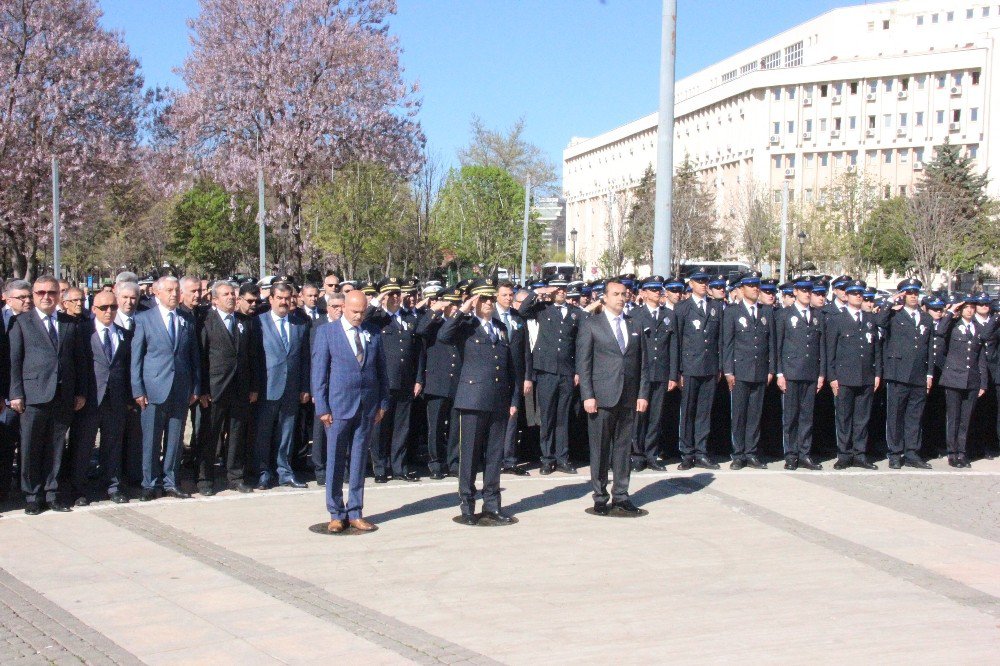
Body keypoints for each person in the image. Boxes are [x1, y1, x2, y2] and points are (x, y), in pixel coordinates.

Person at [438, 279, 519, 524]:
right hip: (472, 399)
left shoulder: (500, 327)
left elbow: (509, 366)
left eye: (490, 299)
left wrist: (513, 399)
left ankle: (492, 504)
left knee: (495, 456)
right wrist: (463, 309)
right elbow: (443, 335)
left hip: (498, 399)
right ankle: (467, 505)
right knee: (470, 456)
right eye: (483, 299)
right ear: (474, 301)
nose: (488, 303)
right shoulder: (466, 325)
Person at [9, 276, 87, 514]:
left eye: (51, 292)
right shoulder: (21, 322)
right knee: (31, 447)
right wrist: (16, 393)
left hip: (63, 395)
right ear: (33, 295)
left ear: (59, 296)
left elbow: (79, 360)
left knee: (56, 446)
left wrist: (80, 391)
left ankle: (52, 492)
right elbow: (15, 360)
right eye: (41, 292)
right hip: (33, 395)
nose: (46, 297)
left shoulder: (68, 323)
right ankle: (33, 495)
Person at [312, 289, 388, 533]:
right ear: (343, 307)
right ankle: (335, 512)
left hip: (366, 407)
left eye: (362, 311)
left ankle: (355, 511)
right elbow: (319, 374)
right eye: (355, 311)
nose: (358, 316)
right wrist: (322, 407)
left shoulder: (373, 332)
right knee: (334, 459)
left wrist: (382, 404)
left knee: (358, 460)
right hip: (338, 407)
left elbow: (381, 372)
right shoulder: (326, 332)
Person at [577, 278, 650, 515]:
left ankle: (621, 495)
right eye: (616, 294)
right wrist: (588, 395)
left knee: (622, 449)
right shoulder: (591, 324)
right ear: (605, 298)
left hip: (628, 396)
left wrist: (642, 393)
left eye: (623, 294)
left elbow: (643, 364)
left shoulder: (634, 324)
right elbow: (584, 363)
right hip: (601, 396)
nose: (621, 297)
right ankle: (600, 496)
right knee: (600, 448)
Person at [131, 276, 201, 501]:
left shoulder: (186, 319)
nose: (173, 294)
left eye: (176, 290)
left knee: (175, 439)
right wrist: (138, 389)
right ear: (156, 293)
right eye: (169, 290)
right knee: (151, 439)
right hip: (153, 389)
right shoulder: (144, 319)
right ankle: (150, 483)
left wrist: (196, 386)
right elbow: (137, 358)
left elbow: (193, 357)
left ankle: (171, 480)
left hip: (180, 389)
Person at [66, 291, 130, 505]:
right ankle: (78, 489)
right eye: (103, 308)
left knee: (112, 445)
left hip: (116, 399)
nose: (109, 312)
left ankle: (112, 486)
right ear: (93, 310)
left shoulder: (123, 333)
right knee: (83, 446)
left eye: (113, 307)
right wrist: (79, 393)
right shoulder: (82, 332)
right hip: (90, 398)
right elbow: (75, 365)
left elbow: (125, 366)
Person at [197, 281, 258, 495]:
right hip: (215, 389)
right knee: (210, 435)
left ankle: (235, 476)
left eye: (233, 293)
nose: (231, 297)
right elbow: (202, 358)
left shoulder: (244, 322)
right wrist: (203, 388)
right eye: (225, 294)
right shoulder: (206, 322)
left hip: (240, 388)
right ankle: (205, 478)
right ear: (214, 299)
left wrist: (253, 386)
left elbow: (253, 357)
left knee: (236, 433)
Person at [518, 274, 581, 475]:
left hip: (567, 372)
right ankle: (547, 458)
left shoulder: (575, 313)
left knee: (563, 416)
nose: (560, 292)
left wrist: (578, 370)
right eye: (557, 288)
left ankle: (562, 457)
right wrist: (537, 292)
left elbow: (578, 344)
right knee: (547, 417)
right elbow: (522, 310)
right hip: (545, 371)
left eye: (563, 289)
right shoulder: (543, 309)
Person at [252, 282, 311, 489]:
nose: (284, 302)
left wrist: (305, 386)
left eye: (288, 298)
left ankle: (285, 472)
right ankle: (263, 472)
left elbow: (305, 358)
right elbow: (255, 358)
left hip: (291, 388)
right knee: (264, 433)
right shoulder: (258, 323)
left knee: (286, 433)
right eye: (280, 298)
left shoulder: (300, 325)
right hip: (267, 388)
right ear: (271, 299)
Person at [878, 278, 935, 470]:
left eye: (915, 293)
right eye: (908, 293)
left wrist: (929, 374)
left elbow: (929, 348)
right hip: (898, 373)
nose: (912, 296)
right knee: (895, 415)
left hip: (918, 374)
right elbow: (879, 322)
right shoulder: (894, 315)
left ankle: (912, 452)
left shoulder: (926, 318)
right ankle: (895, 453)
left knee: (914, 416)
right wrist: (889, 303)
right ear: (902, 295)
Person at [825, 280, 882, 470]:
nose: (858, 296)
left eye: (861, 293)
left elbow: (876, 349)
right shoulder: (837, 320)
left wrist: (877, 373)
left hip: (866, 376)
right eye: (854, 293)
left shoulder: (869, 319)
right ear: (846, 296)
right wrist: (832, 377)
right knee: (843, 417)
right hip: (844, 376)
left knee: (862, 418)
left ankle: (860, 454)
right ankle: (844, 454)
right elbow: (830, 351)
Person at [722, 271, 773, 470]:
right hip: (740, 370)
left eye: (756, 285)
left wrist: (771, 369)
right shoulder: (732, 311)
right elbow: (728, 343)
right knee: (739, 414)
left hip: (759, 369)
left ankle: (751, 452)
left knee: (755, 414)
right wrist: (728, 371)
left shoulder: (765, 312)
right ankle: (738, 454)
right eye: (751, 285)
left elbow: (771, 343)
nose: (755, 288)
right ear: (742, 289)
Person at [673, 267, 723, 470]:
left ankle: (701, 451)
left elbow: (719, 339)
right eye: (699, 281)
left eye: (705, 281)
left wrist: (719, 367)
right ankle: (687, 453)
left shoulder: (715, 306)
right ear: (691, 284)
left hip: (709, 366)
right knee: (688, 412)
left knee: (704, 411)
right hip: (690, 367)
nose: (704, 284)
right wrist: (678, 371)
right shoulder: (682, 308)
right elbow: (677, 341)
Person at [774, 277, 825, 470]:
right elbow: (778, 345)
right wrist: (779, 373)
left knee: (806, 416)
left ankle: (804, 453)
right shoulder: (785, 314)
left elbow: (822, 347)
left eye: (809, 290)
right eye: (803, 290)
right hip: (791, 372)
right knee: (791, 417)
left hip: (811, 372)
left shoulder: (817, 315)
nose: (806, 293)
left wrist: (821, 373)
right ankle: (791, 455)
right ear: (795, 292)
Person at [629, 276, 677, 472]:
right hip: (641, 374)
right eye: (653, 289)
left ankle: (651, 454)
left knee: (656, 417)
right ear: (645, 292)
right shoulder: (636, 314)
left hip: (661, 372)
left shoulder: (668, 315)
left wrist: (673, 374)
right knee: (639, 415)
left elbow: (673, 347)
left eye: (659, 289)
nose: (657, 293)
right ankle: (636, 454)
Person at [415, 289, 463, 480]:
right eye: (450, 304)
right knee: (435, 426)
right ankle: (435, 463)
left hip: (457, 381)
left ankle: (453, 462)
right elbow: (420, 329)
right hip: (437, 382)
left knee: (455, 427)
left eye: (456, 304)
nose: (454, 308)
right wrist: (435, 310)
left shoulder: (461, 323)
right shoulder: (433, 323)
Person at [939, 298, 989, 468]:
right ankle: (952, 453)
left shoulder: (977, 328)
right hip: (954, 378)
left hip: (972, 379)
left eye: (971, 308)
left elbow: (980, 356)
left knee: (965, 419)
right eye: (966, 307)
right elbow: (940, 331)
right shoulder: (953, 325)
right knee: (953, 417)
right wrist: (951, 311)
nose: (969, 310)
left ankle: (962, 452)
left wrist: (983, 382)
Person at [494, 281, 530, 475]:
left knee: (512, 415)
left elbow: (526, 350)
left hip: (515, 374)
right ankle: (493, 458)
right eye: (505, 295)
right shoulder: (489, 315)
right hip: (495, 373)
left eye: (510, 295)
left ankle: (509, 460)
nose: (508, 298)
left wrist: (527, 377)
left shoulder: (517, 317)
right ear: (496, 296)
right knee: (495, 417)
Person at [0, 279, 31, 501]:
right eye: (21, 297)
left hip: (31, 392)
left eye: (29, 296)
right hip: (5, 395)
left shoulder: (35, 319)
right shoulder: (3, 320)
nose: (27, 301)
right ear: (7, 298)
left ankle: (26, 487)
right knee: (4, 446)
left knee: (29, 445)